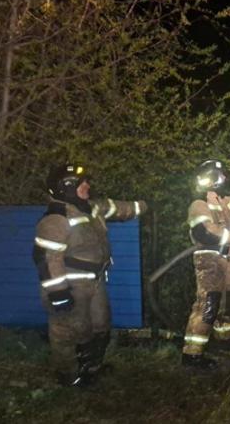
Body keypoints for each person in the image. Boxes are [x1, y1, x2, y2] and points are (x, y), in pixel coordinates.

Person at [32, 163, 146, 386]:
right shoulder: (56, 218)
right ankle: (68, 376)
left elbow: (119, 208)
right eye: (80, 183)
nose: (87, 185)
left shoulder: (91, 208)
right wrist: (58, 293)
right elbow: (46, 258)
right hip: (69, 284)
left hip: (94, 281)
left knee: (100, 326)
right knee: (68, 331)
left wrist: (145, 205)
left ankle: (91, 369)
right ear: (65, 187)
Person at [182, 159, 230, 370]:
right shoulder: (199, 204)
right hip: (209, 260)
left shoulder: (226, 202)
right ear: (210, 178)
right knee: (208, 305)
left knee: (228, 305)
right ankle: (192, 355)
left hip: (229, 261)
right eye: (220, 175)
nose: (225, 178)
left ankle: (224, 344)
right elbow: (206, 233)